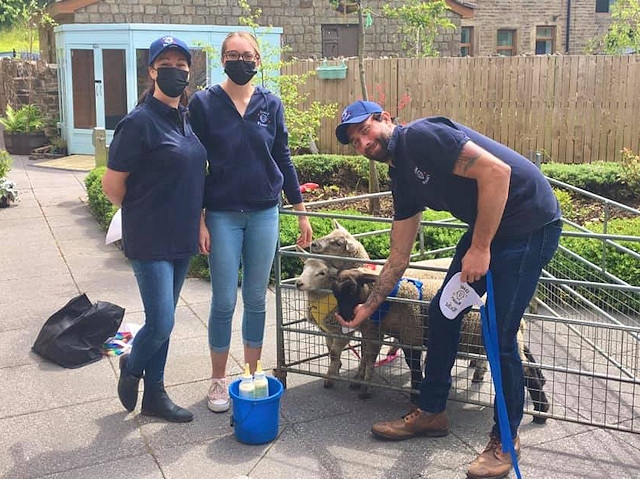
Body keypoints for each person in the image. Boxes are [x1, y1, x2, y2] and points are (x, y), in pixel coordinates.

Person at [334, 100, 562, 479]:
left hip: (529, 225)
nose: (363, 142)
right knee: (443, 312)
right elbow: (398, 256)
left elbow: (497, 173)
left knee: (500, 334)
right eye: (355, 140)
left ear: (385, 119)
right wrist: (369, 307)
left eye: (365, 130)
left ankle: (505, 440)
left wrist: (480, 247)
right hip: (490, 228)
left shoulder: (422, 137)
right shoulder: (402, 179)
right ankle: (432, 412)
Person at [189, 31, 313, 413]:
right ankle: (217, 380)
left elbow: (284, 158)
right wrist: (199, 219)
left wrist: (301, 211)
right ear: (222, 59)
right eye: (232, 54)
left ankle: (254, 374)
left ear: (258, 60)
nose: (240, 60)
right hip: (223, 214)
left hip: (264, 212)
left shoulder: (270, 104)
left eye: (247, 55)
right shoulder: (204, 103)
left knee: (257, 299)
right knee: (224, 301)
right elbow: (193, 164)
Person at [102, 35, 206, 423]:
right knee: (162, 321)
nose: (176, 70)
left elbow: (192, 177)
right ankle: (130, 364)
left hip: (181, 236)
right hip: (150, 238)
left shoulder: (186, 118)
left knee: (163, 321)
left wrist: (198, 222)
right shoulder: (138, 122)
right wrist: (147, 212)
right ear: (151, 70)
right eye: (167, 64)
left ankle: (155, 396)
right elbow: (112, 187)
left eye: (182, 65)